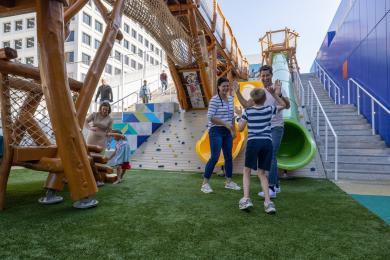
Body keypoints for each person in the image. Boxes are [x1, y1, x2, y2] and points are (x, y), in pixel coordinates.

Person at [234, 65, 290, 198]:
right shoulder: (259, 92)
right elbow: (246, 105)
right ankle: (275, 185)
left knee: (271, 155)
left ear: (271, 75)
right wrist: (237, 92)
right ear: (260, 76)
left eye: (267, 75)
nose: (265, 78)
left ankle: (271, 188)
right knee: (270, 156)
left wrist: (277, 93)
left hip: (276, 127)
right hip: (264, 130)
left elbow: (287, 105)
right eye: (263, 76)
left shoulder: (278, 88)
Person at [235, 85, 287, 214]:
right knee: (262, 173)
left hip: (253, 142)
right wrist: (274, 94)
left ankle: (246, 198)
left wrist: (239, 116)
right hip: (267, 143)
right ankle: (268, 203)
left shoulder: (248, 112)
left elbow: (240, 128)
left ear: (252, 100)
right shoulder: (269, 109)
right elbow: (284, 105)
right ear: (264, 99)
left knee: (247, 171)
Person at [201, 77, 241, 193]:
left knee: (229, 157)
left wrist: (233, 130)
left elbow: (232, 116)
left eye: (227, 86)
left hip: (227, 131)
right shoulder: (214, 100)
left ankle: (229, 182)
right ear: (218, 87)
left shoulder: (230, 99)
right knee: (215, 157)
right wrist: (225, 124)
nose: (226, 88)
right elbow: (210, 117)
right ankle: (205, 183)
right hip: (215, 131)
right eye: (223, 86)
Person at [85, 102, 113, 186]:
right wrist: (90, 127)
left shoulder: (110, 119)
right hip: (91, 138)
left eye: (107, 110)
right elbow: (85, 121)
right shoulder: (94, 114)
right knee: (88, 155)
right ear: (100, 108)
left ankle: (99, 178)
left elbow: (109, 130)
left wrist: (109, 139)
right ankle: (88, 175)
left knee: (99, 157)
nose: (105, 111)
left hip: (102, 139)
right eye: (104, 109)